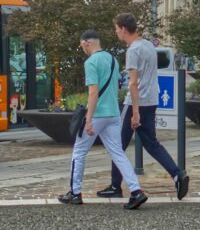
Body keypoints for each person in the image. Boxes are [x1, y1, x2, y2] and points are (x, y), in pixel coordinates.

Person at [97, 14, 189, 201]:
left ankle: (116, 185)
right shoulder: (148, 45)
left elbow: (133, 83)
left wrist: (135, 112)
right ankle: (177, 174)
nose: (116, 33)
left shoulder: (133, 50)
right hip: (151, 100)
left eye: (116, 29)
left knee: (117, 144)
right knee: (151, 143)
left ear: (123, 28)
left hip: (135, 103)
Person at [58, 30, 146, 210]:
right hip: (113, 113)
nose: (81, 48)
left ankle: (75, 193)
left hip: (97, 114)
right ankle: (136, 191)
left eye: (81, 45)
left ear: (86, 43)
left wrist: (88, 119)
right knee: (118, 153)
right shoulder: (112, 59)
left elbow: (93, 91)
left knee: (79, 151)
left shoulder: (91, 62)